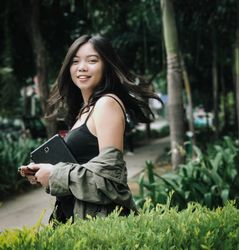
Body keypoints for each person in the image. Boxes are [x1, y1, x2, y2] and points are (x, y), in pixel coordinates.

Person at [19, 34, 162, 224]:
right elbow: (82, 169)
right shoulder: (85, 110)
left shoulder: (106, 104)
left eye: (92, 60)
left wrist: (55, 174)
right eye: (75, 61)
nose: (82, 67)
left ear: (107, 66)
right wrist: (45, 174)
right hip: (79, 217)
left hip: (100, 224)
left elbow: (111, 181)